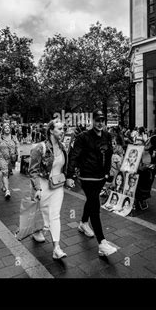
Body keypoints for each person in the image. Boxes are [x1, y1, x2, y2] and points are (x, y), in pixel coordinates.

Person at [66, 109, 117, 256]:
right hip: (87, 177)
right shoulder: (83, 137)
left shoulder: (107, 135)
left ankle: (83, 223)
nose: (100, 123)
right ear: (92, 121)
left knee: (91, 200)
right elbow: (73, 155)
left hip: (101, 177)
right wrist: (70, 176)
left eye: (102, 120)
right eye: (97, 120)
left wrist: (108, 172)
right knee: (95, 205)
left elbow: (109, 154)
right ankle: (102, 243)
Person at [27, 118, 68, 260]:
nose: (62, 131)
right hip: (43, 186)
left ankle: (56, 248)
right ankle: (37, 231)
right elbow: (32, 170)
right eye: (59, 129)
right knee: (45, 218)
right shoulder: (40, 147)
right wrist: (37, 188)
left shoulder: (63, 147)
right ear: (51, 130)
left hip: (58, 186)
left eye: (63, 129)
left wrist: (68, 179)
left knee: (55, 215)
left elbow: (63, 167)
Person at [0, 123, 19, 199]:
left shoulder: (14, 137)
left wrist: (18, 155)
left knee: (7, 173)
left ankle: (4, 184)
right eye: (5, 128)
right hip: (2, 157)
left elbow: (17, 146)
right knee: (5, 172)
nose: (7, 129)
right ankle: (7, 191)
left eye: (8, 128)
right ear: (3, 129)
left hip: (11, 158)